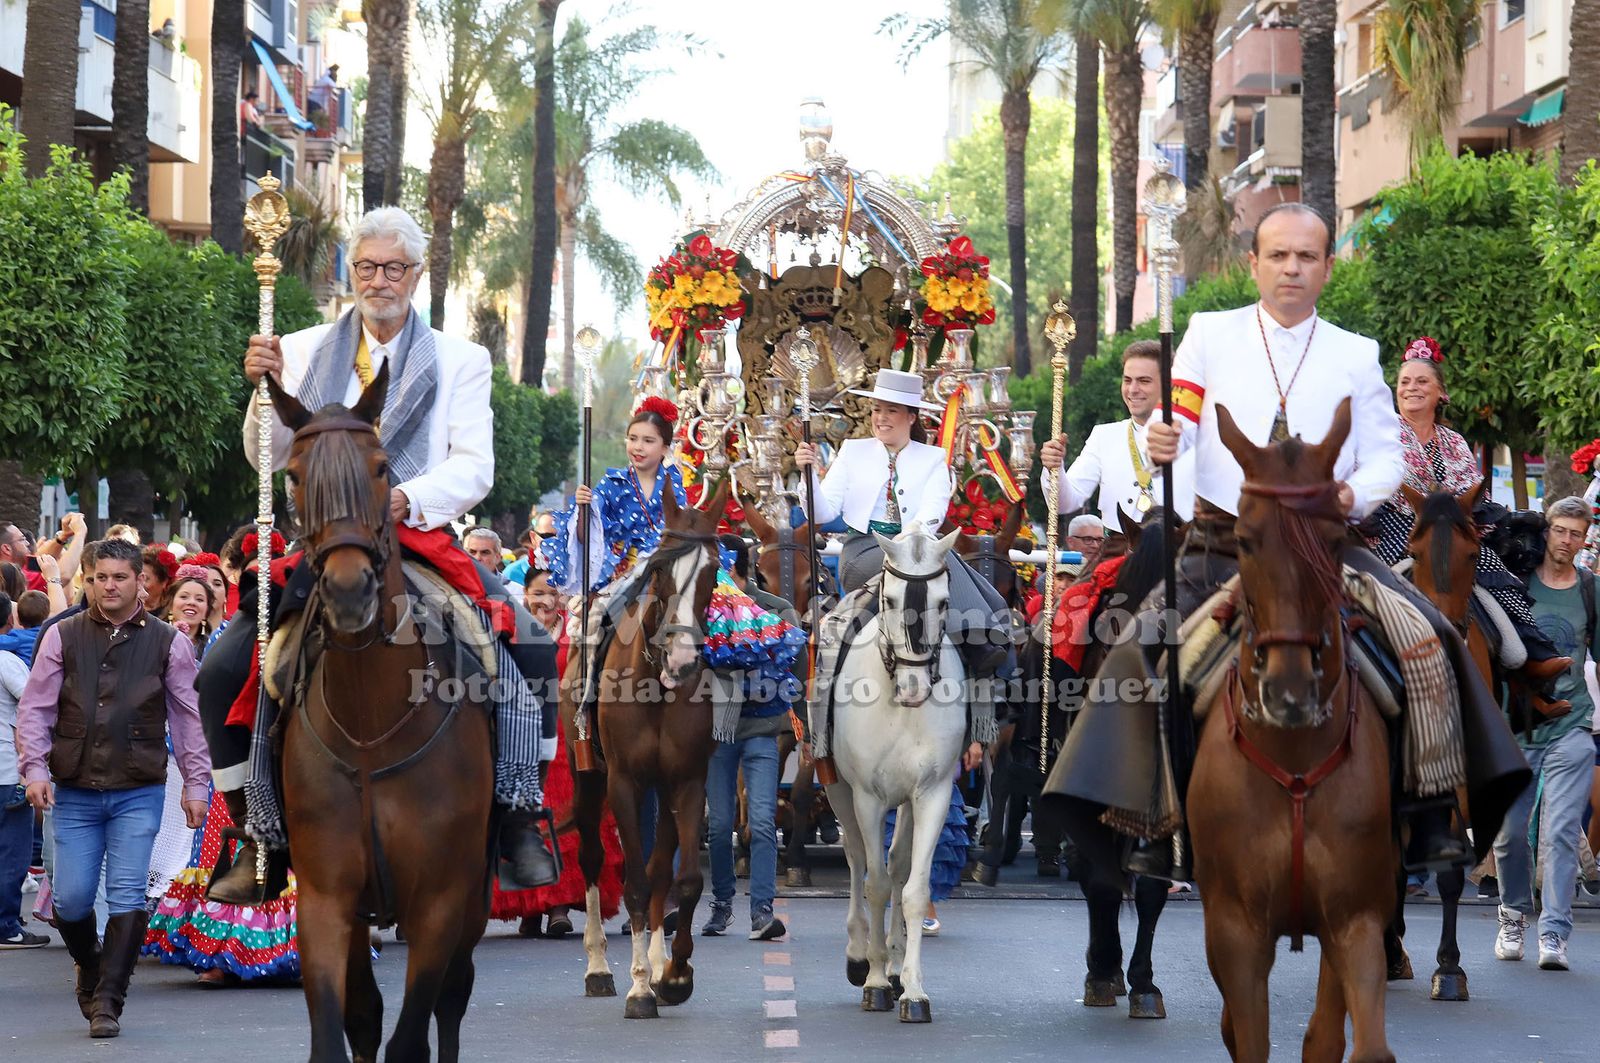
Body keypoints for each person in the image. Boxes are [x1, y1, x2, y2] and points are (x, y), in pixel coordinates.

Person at [1050, 202, 1529, 879]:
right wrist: (1165, 436)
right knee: (1136, 651)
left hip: (1327, 547)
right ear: (1254, 264)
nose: (1292, 267)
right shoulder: (1208, 333)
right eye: (1278, 254)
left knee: (1432, 636)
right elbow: (1181, 416)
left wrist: (1352, 495)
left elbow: (1387, 457)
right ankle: (1142, 818)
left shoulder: (1356, 353)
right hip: (1223, 544)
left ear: (1328, 268)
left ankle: (1431, 815)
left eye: (1306, 256)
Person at [202, 205, 558, 903]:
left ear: (416, 275)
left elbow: (474, 466)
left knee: (533, 652)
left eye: (393, 267)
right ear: (353, 272)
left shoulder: (463, 359)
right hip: (328, 542)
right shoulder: (300, 349)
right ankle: (254, 833)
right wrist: (261, 393)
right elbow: (267, 455)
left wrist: (405, 499)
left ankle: (519, 816)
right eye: (366, 266)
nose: (378, 279)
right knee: (221, 667)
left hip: (417, 539)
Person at [17, 538, 210, 1038]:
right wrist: (33, 769)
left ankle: (108, 1001)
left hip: (138, 786)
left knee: (127, 893)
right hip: (75, 786)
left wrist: (196, 785)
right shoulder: (63, 635)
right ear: (88, 579)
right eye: (100, 576)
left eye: (120, 577)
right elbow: (35, 708)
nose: (109, 585)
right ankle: (92, 965)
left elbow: (188, 720)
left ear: (140, 582)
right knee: (73, 900)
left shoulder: (170, 642)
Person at [1367, 336, 1571, 711]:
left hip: (1455, 525)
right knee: (1372, 584)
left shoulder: (1454, 441)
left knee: (1496, 574)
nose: (1411, 388)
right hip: (1398, 522)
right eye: (1404, 382)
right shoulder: (1379, 434)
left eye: (1421, 381)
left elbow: (1470, 489)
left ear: (1440, 393)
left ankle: (1531, 669)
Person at [791, 368, 1013, 679]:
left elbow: (934, 510)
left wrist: (912, 542)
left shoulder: (933, 458)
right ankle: (979, 642)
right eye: (877, 409)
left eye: (891, 410)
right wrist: (808, 475)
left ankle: (986, 654)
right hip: (863, 553)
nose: (881, 417)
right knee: (945, 557)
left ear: (911, 416)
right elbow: (823, 513)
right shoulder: (852, 452)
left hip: (917, 547)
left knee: (938, 558)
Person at [1491, 497, 1600, 972]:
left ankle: (1554, 933)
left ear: (1585, 538)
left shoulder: (1591, 591)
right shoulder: (1517, 581)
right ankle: (1514, 913)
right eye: (1559, 530)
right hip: (1516, 727)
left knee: (1558, 833)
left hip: (1571, 726)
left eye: (1576, 533)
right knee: (1509, 833)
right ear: (1547, 530)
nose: (1566, 540)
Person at [702, 534, 796, 941]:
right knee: (720, 826)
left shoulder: (774, 609)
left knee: (760, 822)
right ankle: (722, 904)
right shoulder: (702, 612)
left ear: (736, 570)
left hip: (761, 731)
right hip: (717, 734)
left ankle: (762, 909)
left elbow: (798, 668)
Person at [1039, 339, 1197, 527]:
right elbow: (1064, 503)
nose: (1132, 390)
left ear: (1168, 384)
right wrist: (1054, 468)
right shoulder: (1104, 436)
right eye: (1127, 380)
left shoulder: (1192, 438)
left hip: (1179, 549)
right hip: (1121, 551)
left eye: (1144, 381)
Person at [0, 591, 46, 948]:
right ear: (8, 621)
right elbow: (34, 701)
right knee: (11, 852)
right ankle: (6, 926)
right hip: (7, 772)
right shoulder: (6, 660)